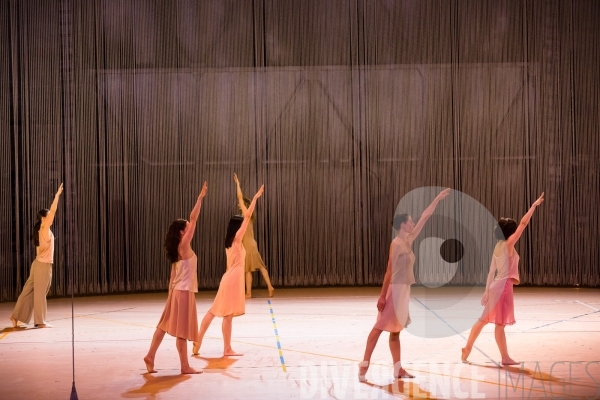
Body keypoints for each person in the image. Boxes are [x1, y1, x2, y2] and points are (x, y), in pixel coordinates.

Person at [359, 189, 451, 381]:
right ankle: (364, 365)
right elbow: (388, 271)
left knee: (395, 331)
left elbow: (425, 217)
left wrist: (436, 199)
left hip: (404, 292)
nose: (413, 223)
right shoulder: (397, 244)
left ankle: (398, 369)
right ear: (403, 224)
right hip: (394, 291)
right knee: (379, 328)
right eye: (410, 221)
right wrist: (382, 296)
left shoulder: (408, 239)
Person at [461, 193, 544, 366]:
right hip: (504, 287)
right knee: (499, 324)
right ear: (511, 232)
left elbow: (491, 271)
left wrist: (486, 291)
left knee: (483, 320)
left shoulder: (497, 246)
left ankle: (467, 348)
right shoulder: (508, 244)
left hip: (495, 285)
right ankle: (505, 358)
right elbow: (523, 223)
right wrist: (533, 206)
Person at [193, 184, 264, 357]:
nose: (244, 227)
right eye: (242, 225)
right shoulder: (237, 239)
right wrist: (255, 198)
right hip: (232, 279)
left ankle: (198, 340)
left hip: (228, 277)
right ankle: (226, 349)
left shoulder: (229, 243)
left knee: (215, 311)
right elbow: (248, 216)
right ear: (237, 227)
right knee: (226, 314)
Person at [144, 182, 208, 374]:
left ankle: (150, 356)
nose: (190, 229)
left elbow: (172, 275)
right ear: (182, 232)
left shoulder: (176, 250)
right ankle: (184, 366)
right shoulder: (184, 244)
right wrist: (200, 198)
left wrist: (169, 295)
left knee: (163, 325)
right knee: (181, 330)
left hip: (175, 291)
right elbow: (194, 217)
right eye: (187, 228)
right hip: (184, 292)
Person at [10, 183, 63, 329]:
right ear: (44, 218)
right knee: (40, 294)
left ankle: (15, 316)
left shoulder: (38, 231)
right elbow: (53, 210)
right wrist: (57, 195)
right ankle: (40, 322)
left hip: (37, 265)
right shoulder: (45, 228)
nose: (51, 217)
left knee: (28, 292)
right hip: (43, 265)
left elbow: (38, 252)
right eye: (49, 217)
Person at [233, 173, 274, 298]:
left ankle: (249, 292)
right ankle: (269, 287)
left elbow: (240, 197)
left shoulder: (246, 214)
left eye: (241, 203)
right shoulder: (247, 216)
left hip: (248, 245)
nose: (239, 204)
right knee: (257, 267)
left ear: (245, 205)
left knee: (250, 269)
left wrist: (238, 184)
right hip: (250, 244)